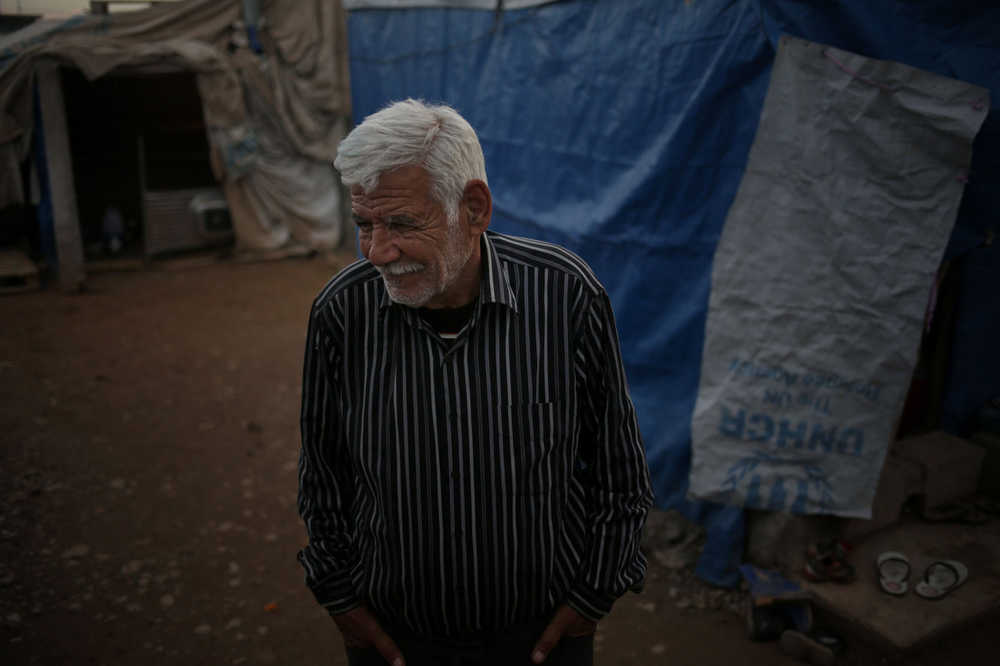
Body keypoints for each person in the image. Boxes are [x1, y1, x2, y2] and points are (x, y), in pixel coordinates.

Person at [297, 99, 653, 666]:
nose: (378, 252)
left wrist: (592, 597)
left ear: (474, 208)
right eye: (365, 225)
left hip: (540, 638)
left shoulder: (565, 298)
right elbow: (324, 476)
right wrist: (340, 598)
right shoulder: (342, 313)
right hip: (396, 639)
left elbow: (619, 472)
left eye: (402, 224)